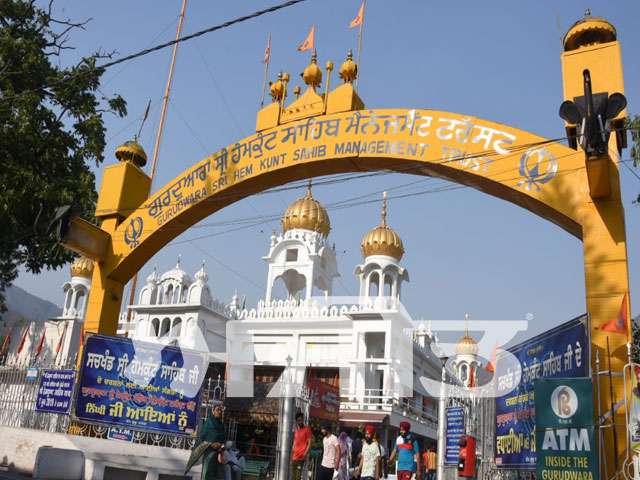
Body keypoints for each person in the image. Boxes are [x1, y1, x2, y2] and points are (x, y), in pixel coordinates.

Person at [199, 404, 226, 480]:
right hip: (209, 453)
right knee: (207, 473)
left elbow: (223, 440)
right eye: (217, 410)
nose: (219, 412)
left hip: (219, 454)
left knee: (217, 475)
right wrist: (211, 444)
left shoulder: (221, 425)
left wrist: (221, 447)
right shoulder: (208, 423)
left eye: (220, 410)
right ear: (213, 411)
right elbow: (202, 438)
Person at [291, 412, 313, 480]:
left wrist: (304, 454)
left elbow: (310, 443)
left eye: (301, 420)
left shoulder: (307, 429)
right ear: (296, 421)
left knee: (298, 477)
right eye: (298, 420)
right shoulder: (297, 431)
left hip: (301, 458)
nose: (300, 422)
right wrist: (292, 453)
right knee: (293, 477)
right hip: (294, 457)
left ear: (303, 420)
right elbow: (294, 443)